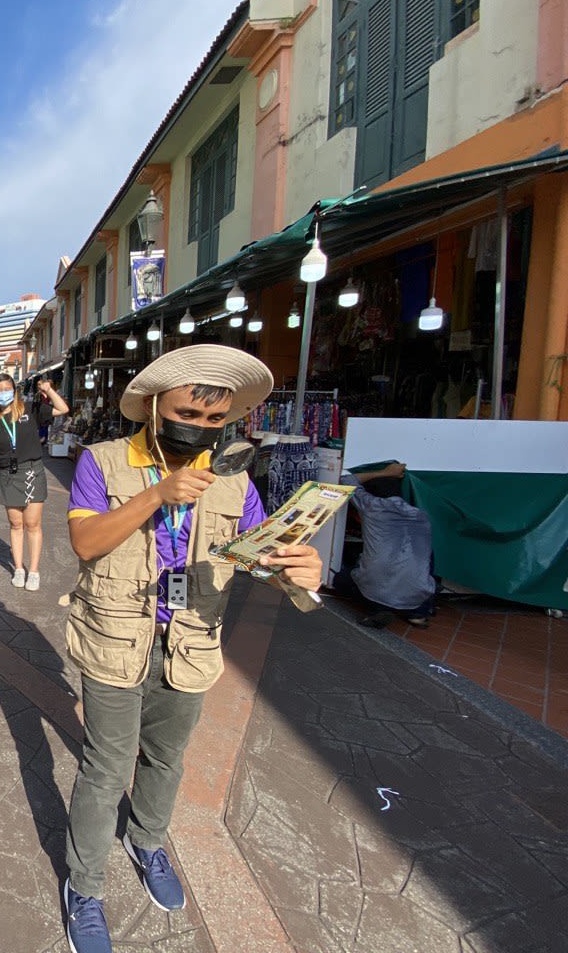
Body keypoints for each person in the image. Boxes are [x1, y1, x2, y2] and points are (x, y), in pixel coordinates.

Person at [59, 346, 325, 953]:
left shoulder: (235, 479)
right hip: (113, 641)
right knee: (104, 770)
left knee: (166, 759)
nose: (202, 429)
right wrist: (158, 495)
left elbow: (258, 560)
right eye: (188, 414)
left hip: (193, 643)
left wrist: (299, 573)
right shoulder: (102, 461)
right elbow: (85, 542)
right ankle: (86, 887)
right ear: (153, 407)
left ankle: (147, 842)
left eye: (214, 420)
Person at [0, 376, 68, 592]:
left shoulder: (30, 409)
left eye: (7, 388)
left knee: (32, 523)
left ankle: (34, 571)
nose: (4, 392)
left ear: (15, 391)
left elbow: (62, 409)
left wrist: (49, 390)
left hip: (32, 471)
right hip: (7, 474)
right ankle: (19, 568)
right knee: (15, 524)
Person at [334, 461, 436, 628]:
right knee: (426, 554)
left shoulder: (373, 506)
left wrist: (384, 472)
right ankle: (417, 614)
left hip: (377, 589)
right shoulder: (421, 516)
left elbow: (345, 480)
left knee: (341, 579)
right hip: (418, 592)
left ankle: (378, 609)